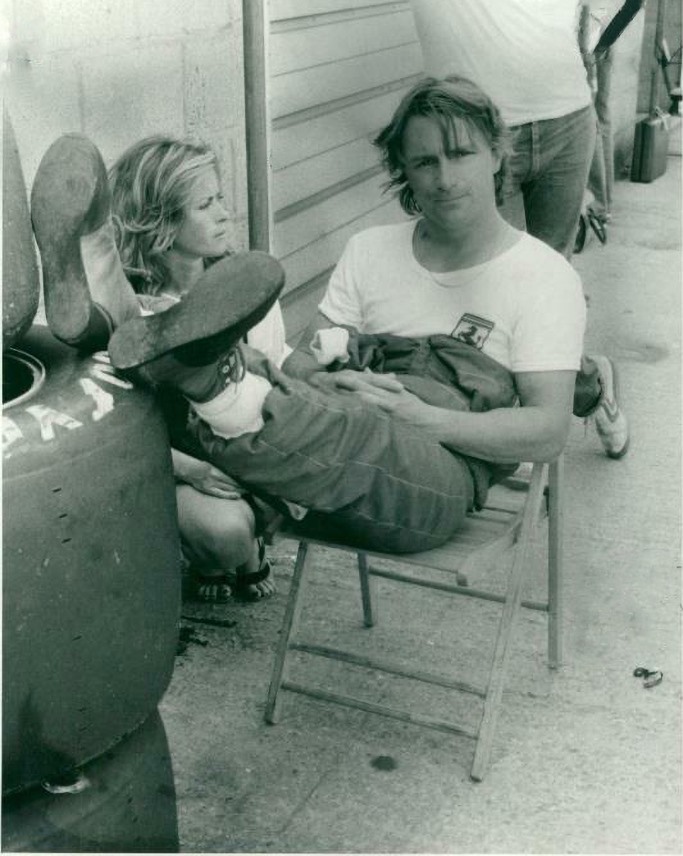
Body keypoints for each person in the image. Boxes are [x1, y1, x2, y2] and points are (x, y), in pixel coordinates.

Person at [102, 75, 583, 554]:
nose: (444, 178)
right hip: (328, 451)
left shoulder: (544, 275)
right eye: (424, 162)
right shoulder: (370, 251)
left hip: (441, 470)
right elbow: (303, 368)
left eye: (461, 154)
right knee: (286, 389)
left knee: (360, 429)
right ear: (405, 173)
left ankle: (206, 376)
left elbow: (547, 433)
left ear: (498, 154)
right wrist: (333, 380)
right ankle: (134, 322)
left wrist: (419, 416)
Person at [30, 134, 281, 602]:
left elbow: (273, 398)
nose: (225, 213)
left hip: (244, 452)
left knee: (233, 537)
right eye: (205, 204)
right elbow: (120, 419)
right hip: (168, 459)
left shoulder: (247, 285)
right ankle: (89, 249)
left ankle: (247, 556)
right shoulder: (141, 309)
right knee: (134, 327)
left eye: (220, 197)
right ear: (161, 221)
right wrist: (189, 470)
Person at [408, 0, 630, 460]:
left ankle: (533, 420)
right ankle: (588, 385)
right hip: (472, 138)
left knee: (547, 293)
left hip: (566, 119)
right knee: (489, 294)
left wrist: (593, 43)